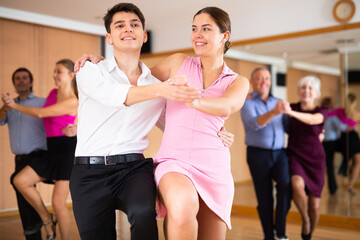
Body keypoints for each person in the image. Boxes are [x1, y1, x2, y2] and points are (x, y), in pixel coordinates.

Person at [150, 7, 249, 240]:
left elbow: (227, 106)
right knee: (183, 207)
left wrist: (191, 101)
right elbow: (136, 80)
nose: (197, 35)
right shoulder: (177, 63)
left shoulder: (238, 81)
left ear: (225, 36)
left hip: (214, 168)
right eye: (194, 29)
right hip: (173, 161)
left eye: (206, 29)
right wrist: (101, 63)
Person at [2, 59, 78, 240]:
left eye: (58, 71)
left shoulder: (73, 100)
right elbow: (53, 120)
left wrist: (13, 105)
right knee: (19, 181)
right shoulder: (52, 93)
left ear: (71, 75)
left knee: (58, 203)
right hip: (51, 149)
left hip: (67, 152)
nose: (54, 75)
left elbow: (40, 113)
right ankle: (47, 220)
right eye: (54, 71)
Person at [240, 67, 291, 240]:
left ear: (270, 81)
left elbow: (289, 127)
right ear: (253, 82)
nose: (264, 81)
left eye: (267, 78)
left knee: (285, 185)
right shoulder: (247, 102)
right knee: (264, 197)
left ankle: (281, 232)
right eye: (259, 78)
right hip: (257, 155)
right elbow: (254, 124)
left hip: (279, 153)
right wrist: (274, 112)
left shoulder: (279, 101)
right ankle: (268, 235)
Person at [0, 68, 44, 240]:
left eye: (25, 78)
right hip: (19, 159)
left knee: (18, 184)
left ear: (31, 82)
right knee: (23, 198)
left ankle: (42, 224)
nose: (21, 81)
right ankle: (35, 232)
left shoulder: (42, 102)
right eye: (17, 78)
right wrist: (5, 108)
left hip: (38, 157)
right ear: (14, 83)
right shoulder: (9, 106)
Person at [286, 76, 327, 240]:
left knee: (315, 207)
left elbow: (312, 120)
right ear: (298, 91)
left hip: (316, 159)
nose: (306, 91)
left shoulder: (322, 110)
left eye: (310, 88)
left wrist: (290, 113)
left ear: (316, 93)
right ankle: (305, 220)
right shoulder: (291, 107)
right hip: (296, 155)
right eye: (303, 87)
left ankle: (309, 234)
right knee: (296, 184)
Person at [331, 93, 360, 195]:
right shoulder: (356, 114)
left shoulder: (339, 111)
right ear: (355, 102)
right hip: (352, 138)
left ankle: (346, 171)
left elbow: (328, 115)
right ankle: (350, 184)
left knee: (353, 159)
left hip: (344, 138)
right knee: (357, 162)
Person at [320, 97, 347, 194]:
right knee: (330, 165)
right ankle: (343, 169)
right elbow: (341, 127)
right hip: (332, 142)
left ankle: (333, 188)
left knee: (330, 166)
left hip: (326, 142)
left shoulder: (321, 114)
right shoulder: (332, 115)